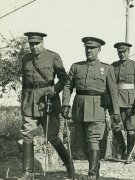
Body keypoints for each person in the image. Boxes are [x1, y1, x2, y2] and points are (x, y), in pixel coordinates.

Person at [61, 37, 120, 179]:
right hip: (79, 108)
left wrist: (116, 112)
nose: (89, 51)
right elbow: (68, 86)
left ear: (99, 50)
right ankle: (95, 164)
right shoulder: (76, 67)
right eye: (87, 48)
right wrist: (65, 104)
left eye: (92, 48)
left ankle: (92, 173)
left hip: (97, 108)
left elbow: (113, 91)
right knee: (83, 143)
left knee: (93, 139)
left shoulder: (107, 68)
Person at [20, 32, 74, 179]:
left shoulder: (53, 56)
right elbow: (25, 82)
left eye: (36, 44)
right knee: (27, 133)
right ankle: (27, 172)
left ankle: (69, 164)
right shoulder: (25, 59)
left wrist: (55, 90)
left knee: (52, 136)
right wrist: (23, 100)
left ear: (42, 43)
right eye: (31, 44)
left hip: (48, 100)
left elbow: (64, 79)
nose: (33, 47)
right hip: (30, 100)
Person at [111, 42, 135, 164]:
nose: (122, 54)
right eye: (120, 52)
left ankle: (130, 153)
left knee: (130, 128)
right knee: (116, 127)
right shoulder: (113, 66)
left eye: (124, 52)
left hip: (131, 101)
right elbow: (111, 85)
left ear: (128, 52)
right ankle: (123, 149)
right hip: (117, 101)